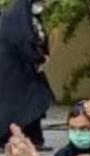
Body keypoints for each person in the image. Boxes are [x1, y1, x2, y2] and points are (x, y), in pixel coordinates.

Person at [0, 0, 52, 148]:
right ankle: (10, 138)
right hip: (13, 71)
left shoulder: (28, 17)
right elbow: (22, 40)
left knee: (33, 102)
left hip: (27, 70)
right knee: (19, 105)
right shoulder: (13, 18)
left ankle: (33, 138)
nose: (43, 6)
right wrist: (38, 57)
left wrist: (41, 56)